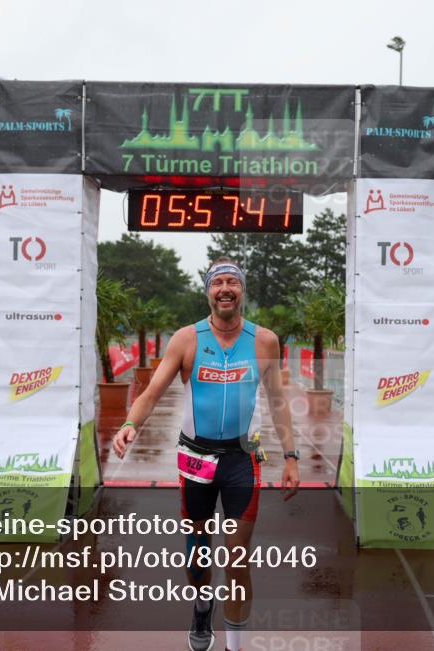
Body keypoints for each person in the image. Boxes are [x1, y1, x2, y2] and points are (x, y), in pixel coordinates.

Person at [112, 258, 300, 651]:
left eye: (233, 282)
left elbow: (278, 401)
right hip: (196, 459)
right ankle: (201, 605)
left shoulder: (264, 341)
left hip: (241, 461)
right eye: (218, 283)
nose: (225, 289)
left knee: (237, 560)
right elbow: (152, 392)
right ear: (208, 292)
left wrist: (291, 456)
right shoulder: (187, 339)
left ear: (242, 291)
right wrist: (131, 423)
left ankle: (235, 644)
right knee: (198, 555)